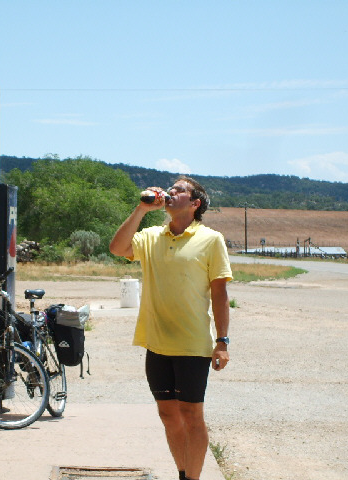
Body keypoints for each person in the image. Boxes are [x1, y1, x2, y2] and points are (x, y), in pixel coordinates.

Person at [109, 176, 232, 480]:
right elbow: (117, 247)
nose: (171, 192)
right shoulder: (151, 236)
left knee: (191, 415)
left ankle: (193, 478)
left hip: (192, 344)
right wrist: (140, 210)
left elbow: (219, 294)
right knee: (168, 415)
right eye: (171, 188)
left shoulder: (210, 239)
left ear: (194, 203)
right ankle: (182, 473)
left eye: (180, 190)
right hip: (157, 343)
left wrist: (222, 341)